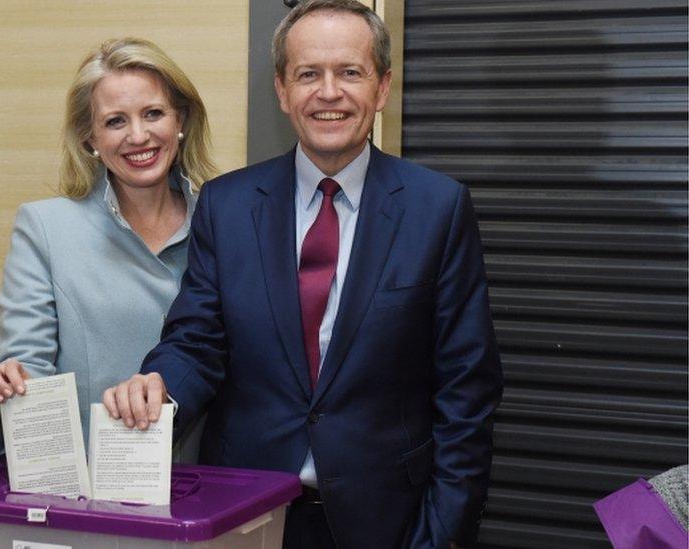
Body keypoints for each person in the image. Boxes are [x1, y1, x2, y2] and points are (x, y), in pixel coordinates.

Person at [101, 1, 503, 547]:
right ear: (282, 90)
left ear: (382, 87)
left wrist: (438, 535)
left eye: (350, 72)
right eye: (308, 74)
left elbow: (466, 392)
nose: (329, 93)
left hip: (389, 522)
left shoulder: (438, 208)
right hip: (248, 515)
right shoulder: (228, 205)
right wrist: (161, 387)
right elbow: (196, 339)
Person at [0, 37, 216, 462]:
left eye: (153, 113)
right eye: (115, 121)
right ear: (90, 138)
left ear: (181, 120)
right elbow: (29, 360)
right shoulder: (45, 227)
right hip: (88, 489)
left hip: (208, 489)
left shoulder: (227, 222)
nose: (138, 136)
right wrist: (14, 379)